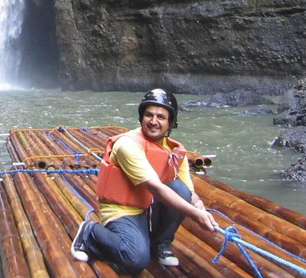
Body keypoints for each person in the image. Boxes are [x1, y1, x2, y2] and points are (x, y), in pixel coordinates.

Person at [71, 88, 218, 274]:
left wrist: (199, 205)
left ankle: (160, 244)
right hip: (122, 211)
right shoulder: (127, 145)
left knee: (181, 190)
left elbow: (188, 189)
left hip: (147, 208)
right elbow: (154, 187)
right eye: (149, 115)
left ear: (170, 122)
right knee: (136, 259)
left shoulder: (174, 150)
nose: (154, 122)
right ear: (141, 117)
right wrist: (195, 216)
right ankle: (90, 233)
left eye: (161, 117)